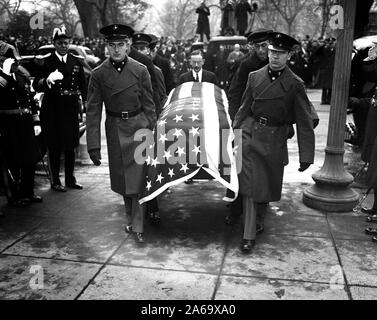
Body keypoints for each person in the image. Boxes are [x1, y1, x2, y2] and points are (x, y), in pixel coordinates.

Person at [232, 32, 315, 254]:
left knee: (264, 186)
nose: (274, 57)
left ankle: (258, 219)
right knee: (249, 188)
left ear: (289, 56)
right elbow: (244, 107)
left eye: (280, 53)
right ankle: (248, 235)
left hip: (275, 139)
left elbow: (305, 120)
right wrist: (233, 134)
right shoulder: (254, 76)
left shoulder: (295, 84)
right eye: (272, 52)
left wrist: (307, 156)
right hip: (250, 135)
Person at [86, 24, 156, 244]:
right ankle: (132, 218)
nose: (116, 50)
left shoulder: (140, 70)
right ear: (107, 47)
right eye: (112, 45)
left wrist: (152, 130)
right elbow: (93, 110)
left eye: (121, 45)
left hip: (139, 127)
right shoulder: (98, 74)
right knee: (124, 180)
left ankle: (137, 224)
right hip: (115, 129)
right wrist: (93, 145)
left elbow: (149, 104)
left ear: (128, 46)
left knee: (138, 177)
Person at [32, 26, 87, 192]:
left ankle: (70, 179)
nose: (64, 45)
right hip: (53, 108)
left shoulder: (75, 60)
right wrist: (47, 81)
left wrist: (85, 104)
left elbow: (83, 85)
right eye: (60, 43)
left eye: (66, 42)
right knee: (54, 146)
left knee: (71, 144)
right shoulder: (46, 61)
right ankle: (55, 180)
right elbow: (36, 84)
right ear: (54, 43)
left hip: (70, 108)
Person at [0, 42, 43, 206]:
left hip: (25, 123)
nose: (15, 63)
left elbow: (30, 100)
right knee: (13, 161)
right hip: (8, 124)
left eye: (16, 60)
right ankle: (15, 196)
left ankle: (28, 191)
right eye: (11, 60)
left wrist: (36, 120)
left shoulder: (21, 76)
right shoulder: (1, 77)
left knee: (30, 158)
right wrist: (4, 74)